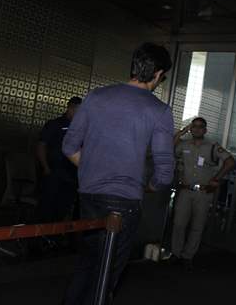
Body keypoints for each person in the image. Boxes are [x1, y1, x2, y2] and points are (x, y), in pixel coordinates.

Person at [62, 42, 175, 305]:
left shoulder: (95, 97)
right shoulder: (159, 110)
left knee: (86, 264)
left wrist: (92, 169)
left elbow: (69, 146)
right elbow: (165, 169)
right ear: (158, 74)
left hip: (89, 196)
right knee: (107, 273)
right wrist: (152, 185)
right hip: (124, 201)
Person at [171, 117, 235, 268]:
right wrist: (182, 132)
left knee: (197, 226)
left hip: (203, 192)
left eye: (200, 127)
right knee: (178, 223)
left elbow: (230, 161)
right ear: (191, 129)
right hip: (185, 191)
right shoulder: (184, 144)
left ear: (205, 130)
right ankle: (176, 253)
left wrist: (216, 179)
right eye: (194, 127)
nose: (197, 129)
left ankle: (188, 256)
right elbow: (170, 149)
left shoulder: (212, 146)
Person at [36, 96, 82, 223]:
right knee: (46, 208)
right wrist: (46, 168)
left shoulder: (79, 129)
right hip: (53, 173)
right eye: (78, 111)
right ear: (70, 109)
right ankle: (39, 239)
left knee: (63, 209)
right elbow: (41, 146)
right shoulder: (55, 124)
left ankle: (54, 239)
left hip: (70, 177)